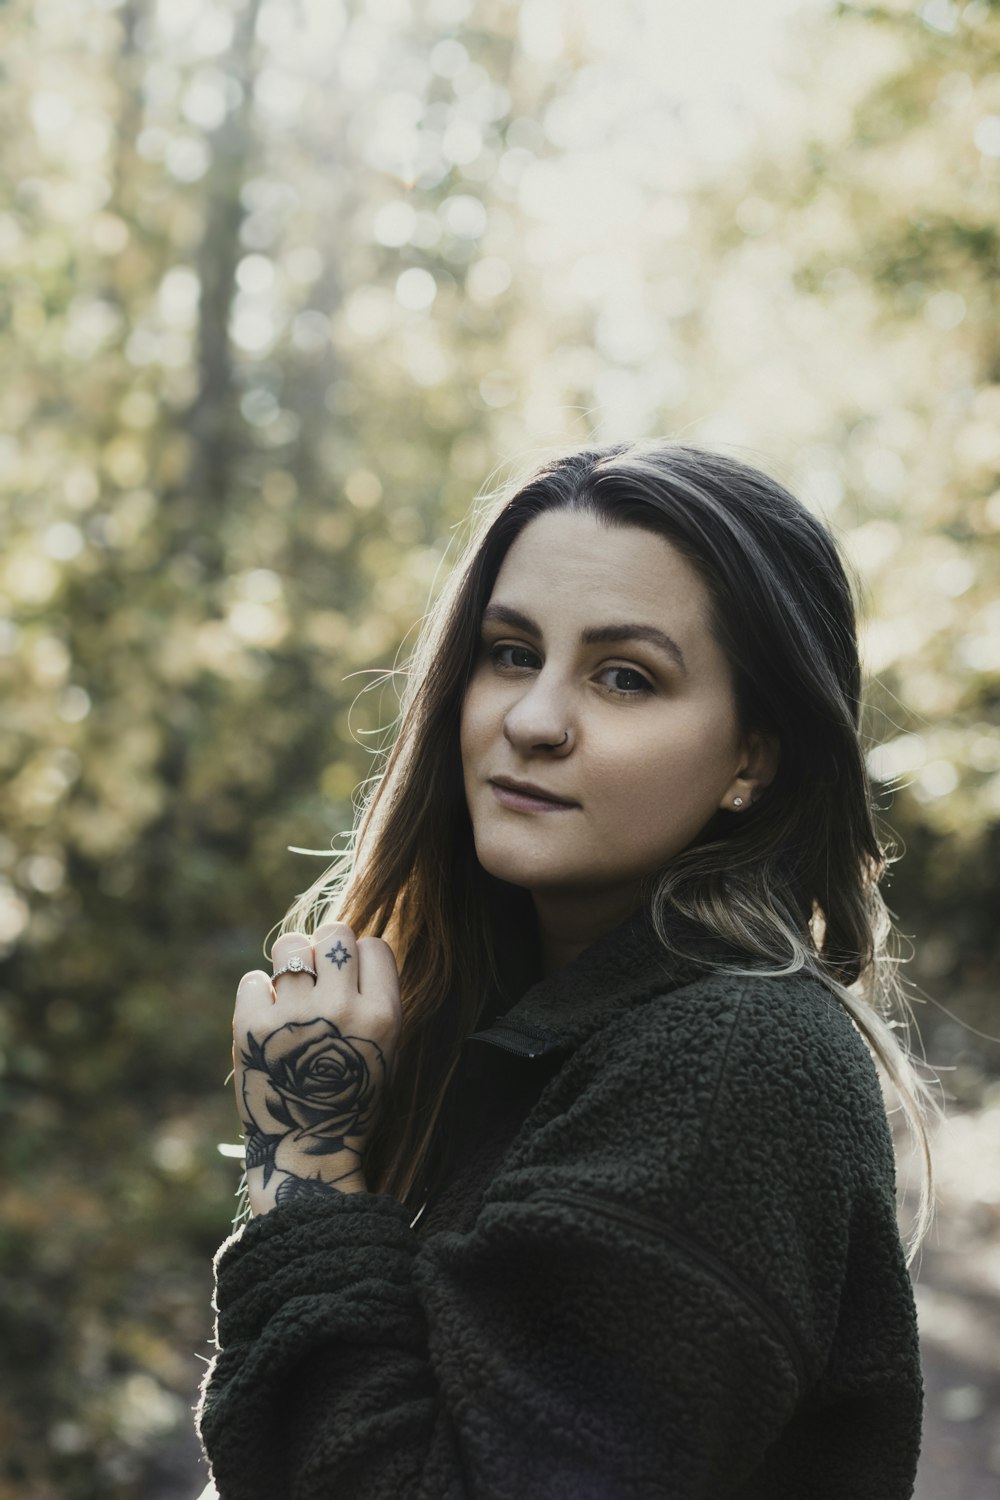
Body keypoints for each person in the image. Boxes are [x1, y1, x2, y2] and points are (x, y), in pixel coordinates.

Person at [196, 440, 934, 1499]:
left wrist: (302, 1161)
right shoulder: (532, 1023)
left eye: (624, 676)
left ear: (750, 760)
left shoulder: (728, 1065)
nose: (532, 720)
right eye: (508, 652)